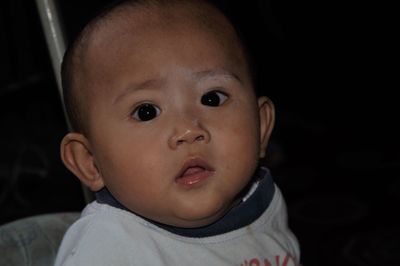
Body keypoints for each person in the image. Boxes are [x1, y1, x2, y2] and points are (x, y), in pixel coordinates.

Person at [55, 0, 300, 265]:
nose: (188, 129)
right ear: (91, 162)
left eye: (212, 98)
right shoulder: (109, 248)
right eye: (146, 111)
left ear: (261, 126)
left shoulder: (265, 204)